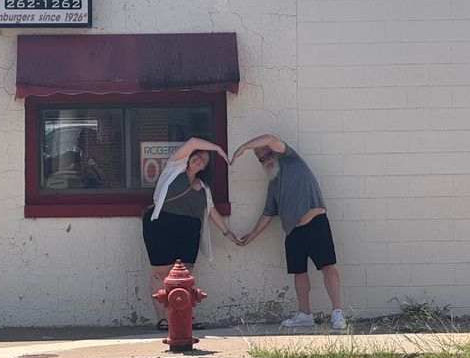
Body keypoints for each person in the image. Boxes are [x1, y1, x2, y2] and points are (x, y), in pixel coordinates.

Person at [231, 134, 346, 330]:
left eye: (266, 153)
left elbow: (268, 137)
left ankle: (337, 313)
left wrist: (243, 147)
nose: (265, 159)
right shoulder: (273, 184)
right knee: (298, 273)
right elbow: (268, 213)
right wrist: (251, 235)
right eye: (260, 158)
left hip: (316, 223)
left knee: (328, 267)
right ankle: (304, 314)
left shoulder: (292, 159)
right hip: (293, 232)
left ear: (273, 151)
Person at [142, 137, 240, 330]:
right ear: (189, 157)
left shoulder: (204, 188)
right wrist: (218, 149)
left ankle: (184, 317)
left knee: (184, 276)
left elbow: (211, 211)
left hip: (189, 231)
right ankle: (163, 319)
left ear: (205, 168)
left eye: (204, 160)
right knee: (161, 274)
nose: (199, 160)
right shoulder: (174, 169)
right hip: (163, 225)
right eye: (197, 156)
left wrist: (228, 233)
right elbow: (193, 142)